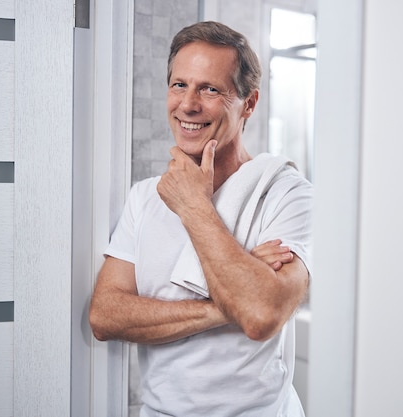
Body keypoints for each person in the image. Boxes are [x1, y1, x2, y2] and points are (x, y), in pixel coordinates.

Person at [89, 21, 313, 417]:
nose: (188, 105)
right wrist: (226, 306)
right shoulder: (145, 196)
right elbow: (105, 316)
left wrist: (195, 207)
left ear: (249, 104)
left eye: (210, 89)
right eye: (179, 85)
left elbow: (261, 317)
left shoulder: (287, 193)